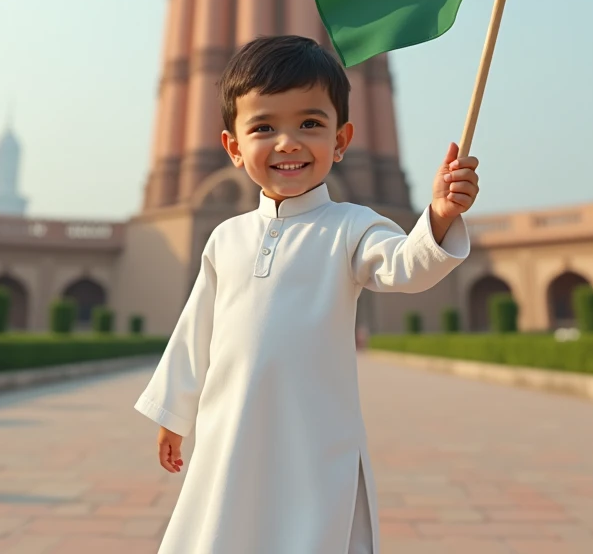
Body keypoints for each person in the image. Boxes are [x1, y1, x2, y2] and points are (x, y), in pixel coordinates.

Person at [134, 35, 479, 554]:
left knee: (312, 532)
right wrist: (173, 414)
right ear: (233, 147)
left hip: (315, 438)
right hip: (231, 431)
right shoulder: (226, 238)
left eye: (310, 125)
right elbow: (195, 332)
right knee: (223, 526)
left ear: (341, 141)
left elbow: (407, 266)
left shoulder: (351, 226)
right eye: (264, 127)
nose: (288, 142)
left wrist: (441, 217)